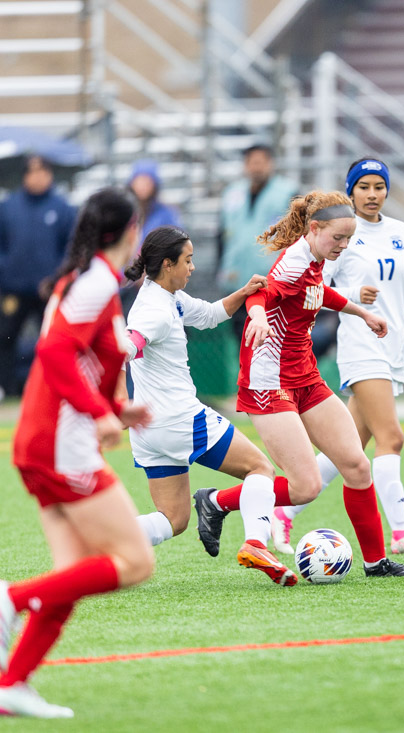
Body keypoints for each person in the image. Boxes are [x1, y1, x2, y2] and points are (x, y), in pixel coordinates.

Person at [0, 188, 155, 718]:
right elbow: (53, 352)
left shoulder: (90, 279)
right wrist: (98, 413)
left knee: (73, 574)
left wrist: (111, 409)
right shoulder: (98, 280)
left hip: (46, 442)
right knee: (136, 563)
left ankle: (9, 685)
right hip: (60, 446)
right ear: (131, 231)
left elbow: (78, 359)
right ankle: (8, 598)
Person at [274, 159, 404, 554]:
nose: (372, 194)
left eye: (379, 187)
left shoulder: (400, 232)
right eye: (364, 187)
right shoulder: (343, 234)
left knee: (347, 451)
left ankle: (281, 514)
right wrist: (355, 297)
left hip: (391, 349)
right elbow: (314, 289)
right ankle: (403, 533)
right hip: (361, 346)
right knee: (392, 438)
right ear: (350, 191)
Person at [238, 190, 404, 578]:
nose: (343, 245)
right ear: (314, 228)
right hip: (270, 380)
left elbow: (319, 295)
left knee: (356, 465)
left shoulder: (317, 259)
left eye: (349, 239)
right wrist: (255, 316)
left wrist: (361, 312)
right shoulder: (293, 263)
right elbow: (262, 293)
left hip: (304, 375)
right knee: (304, 487)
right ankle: (218, 502)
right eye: (338, 238)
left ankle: (375, 563)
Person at [119, 225, 299, 583]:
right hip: (179, 419)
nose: (193, 267)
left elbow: (208, 315)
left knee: (174, 519)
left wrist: (244, 292)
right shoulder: (154, 308)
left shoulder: (166, 295)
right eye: (188, 260)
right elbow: (130, 344)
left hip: (149, 431)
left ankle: (106, 542)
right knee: (260, 469)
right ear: (168, 264)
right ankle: (255, 543)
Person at [0, 155, 77, 403]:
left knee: (53, 341)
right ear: (24, 176)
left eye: (42, 171)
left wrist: (58, 278)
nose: (37, 177)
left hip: (48, 291)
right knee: (5, 337)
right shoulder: (7, 207)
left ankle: (54, 389)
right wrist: (3, 271)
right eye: (32, 172)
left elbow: (71, 247)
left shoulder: (62, 208)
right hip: (13, 289)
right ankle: (0, 387)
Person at [218, 143, 298, 342]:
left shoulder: (288, 192)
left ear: (271, 164)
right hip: (238, 280)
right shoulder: (232, 193)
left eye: (261, 162)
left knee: (273, 338)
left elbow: (298, 236)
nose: (256, 167)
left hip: (273, 281)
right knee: (242, 339)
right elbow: (222, 235)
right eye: (252, 162)